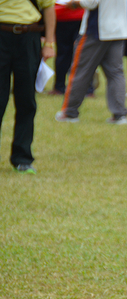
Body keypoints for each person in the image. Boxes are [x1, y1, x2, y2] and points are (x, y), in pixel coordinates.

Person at [0, 0, 56, 174]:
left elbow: (48, 8)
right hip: (2, 34)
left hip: (29, 35)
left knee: (26, 100)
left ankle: (22, 158)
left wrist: (49, 43)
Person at [54, 0, 127, 124]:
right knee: (116, 73)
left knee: (80, 70)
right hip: (118, 28)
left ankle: (69, 111)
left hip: (97, 29)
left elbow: (90, 2)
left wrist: (74, 3)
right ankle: (119, 114)